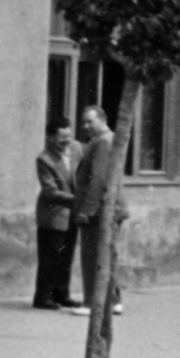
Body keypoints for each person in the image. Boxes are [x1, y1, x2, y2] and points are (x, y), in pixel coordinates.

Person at [72, 105, 127, 317]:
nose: (85, 126)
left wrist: (86, 210)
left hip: (100, 210)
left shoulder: (103, 142)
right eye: (83, 122)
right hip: (109, 207)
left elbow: (97, 179)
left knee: (93, 257)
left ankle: (92, 303)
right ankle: (112, 301)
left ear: (102, 120)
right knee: (106, 256)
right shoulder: (108, 139)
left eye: (89, 122)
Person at [32, 117, 82, 310]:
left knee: (66, 255)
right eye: (62, 137)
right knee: (50, 257)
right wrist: (78, 200)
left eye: (69, 135)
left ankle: (62, 294)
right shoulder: (44, 159)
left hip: (72, 214)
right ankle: (42, 297)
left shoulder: (77, 148)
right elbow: (50, 192)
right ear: (50, 138)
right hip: (53, 215)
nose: (67, 140)